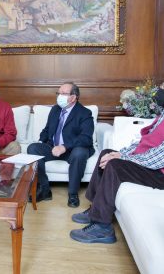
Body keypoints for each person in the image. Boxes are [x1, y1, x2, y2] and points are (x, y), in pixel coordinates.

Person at [70, 84, 164, 244]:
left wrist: (123, 159)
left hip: (159, 173)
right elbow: (142, 143)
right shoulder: (162, 115)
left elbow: (158, 157)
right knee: (106, 153)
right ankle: (95, 209)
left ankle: (102, 228)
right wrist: (120, 153)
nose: (160, 91)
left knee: (114, 165)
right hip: (149, 164)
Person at [27, 82, 95, 207]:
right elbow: (47, 130)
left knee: (80, 152)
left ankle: (73, 194)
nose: (59, 96)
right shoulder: (55, 109)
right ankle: (44, 190)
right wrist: (42, 141)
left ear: (74, 97)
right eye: (58, 93)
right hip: (54, 148)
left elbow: (85, 138)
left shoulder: (85, 113)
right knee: (33, 148)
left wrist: (64, 147)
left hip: (73, 150)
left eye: (64, 94)